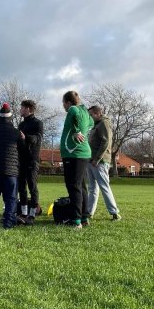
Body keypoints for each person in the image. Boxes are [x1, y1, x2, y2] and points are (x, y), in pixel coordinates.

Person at [59, 90, 94, 230]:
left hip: (73, 153)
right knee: (81, 186)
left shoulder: (73, 109)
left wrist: (77, 131)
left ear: (68, 102)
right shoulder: (85, 111)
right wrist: (83, 130)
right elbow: (91, 123)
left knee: (73, 186)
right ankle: (84, 217)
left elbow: (74, 113)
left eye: (63, 103)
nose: (63, 106)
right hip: (83, 153)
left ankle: (76, 220)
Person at [86, 105, 121, 220]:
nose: (89, 117)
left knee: (104, 186)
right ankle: (89, 212)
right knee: (92, 188)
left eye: (91, 115)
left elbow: (106, 142)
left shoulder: (104, 123)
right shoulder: (95, 125)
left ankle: (114, 213)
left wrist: (97, 159)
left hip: (99, 161)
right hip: (91, 160)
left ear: (97, 114)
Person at [18, 99, 44, 225]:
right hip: (21, 160)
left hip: (32, 160)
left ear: (28, 109)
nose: (20, 110)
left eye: (22, 107)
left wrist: (25, 137)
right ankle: (23, 213)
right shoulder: (21, 125)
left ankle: (32, 214)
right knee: (21, 187)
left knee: (32, 187)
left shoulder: (38, 123)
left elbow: (37, 139)